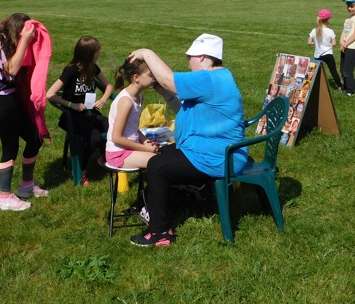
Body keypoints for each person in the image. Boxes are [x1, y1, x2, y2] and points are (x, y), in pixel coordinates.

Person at [128, 34, 247, 247]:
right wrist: (165, 94)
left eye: (189, 58)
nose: (188, 63)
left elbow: (168, 79)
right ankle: (147, 206)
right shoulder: (218, 77)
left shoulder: (209, 79)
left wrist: (146, 52)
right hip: (212, 149)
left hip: (218, 157)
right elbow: (185, 109)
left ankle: (160, 232)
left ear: (202, 57)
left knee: (157, 167)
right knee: (161, 154)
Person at [0, 13, 49, 211]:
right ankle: (4, 197)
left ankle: (27, 186)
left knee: (34, 138)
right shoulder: (1, 41)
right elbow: (12, 69)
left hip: (1, 101)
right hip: (3, 103)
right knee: (10, 148)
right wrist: (25, 40)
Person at [46, 36, 113, 185]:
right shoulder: (71, 70)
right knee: (95, 137)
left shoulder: (93, 68)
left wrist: (103, 100)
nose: (99, 54)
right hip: (73, 117)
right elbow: (50, 94)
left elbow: (109, 86)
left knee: (112, 126)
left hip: (90, 113)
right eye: (97, 51)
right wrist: (71, 105)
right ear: (89, 54)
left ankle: (106, 158)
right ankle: (81, 167)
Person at [105, 56, 160, 170]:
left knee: (165, 158)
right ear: (136, 77)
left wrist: (145, 141)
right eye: (150, 75)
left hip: (130, 149)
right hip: (118, 154)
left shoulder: (139, 97)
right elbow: (116, 138)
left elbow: (133, 127)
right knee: (159, 163)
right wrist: (144, 148)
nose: (154, 78)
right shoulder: (126, 102)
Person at [307, 8, 342, 91]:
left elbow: (309, 42)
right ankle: (340, 87)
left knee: (314, 73)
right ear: (328, 19)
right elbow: (334, 43)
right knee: (333, 71)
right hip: (328, 54)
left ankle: (309, 87)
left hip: (318, 55)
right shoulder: (330, 31)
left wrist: (314, 43)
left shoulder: (314, 30)